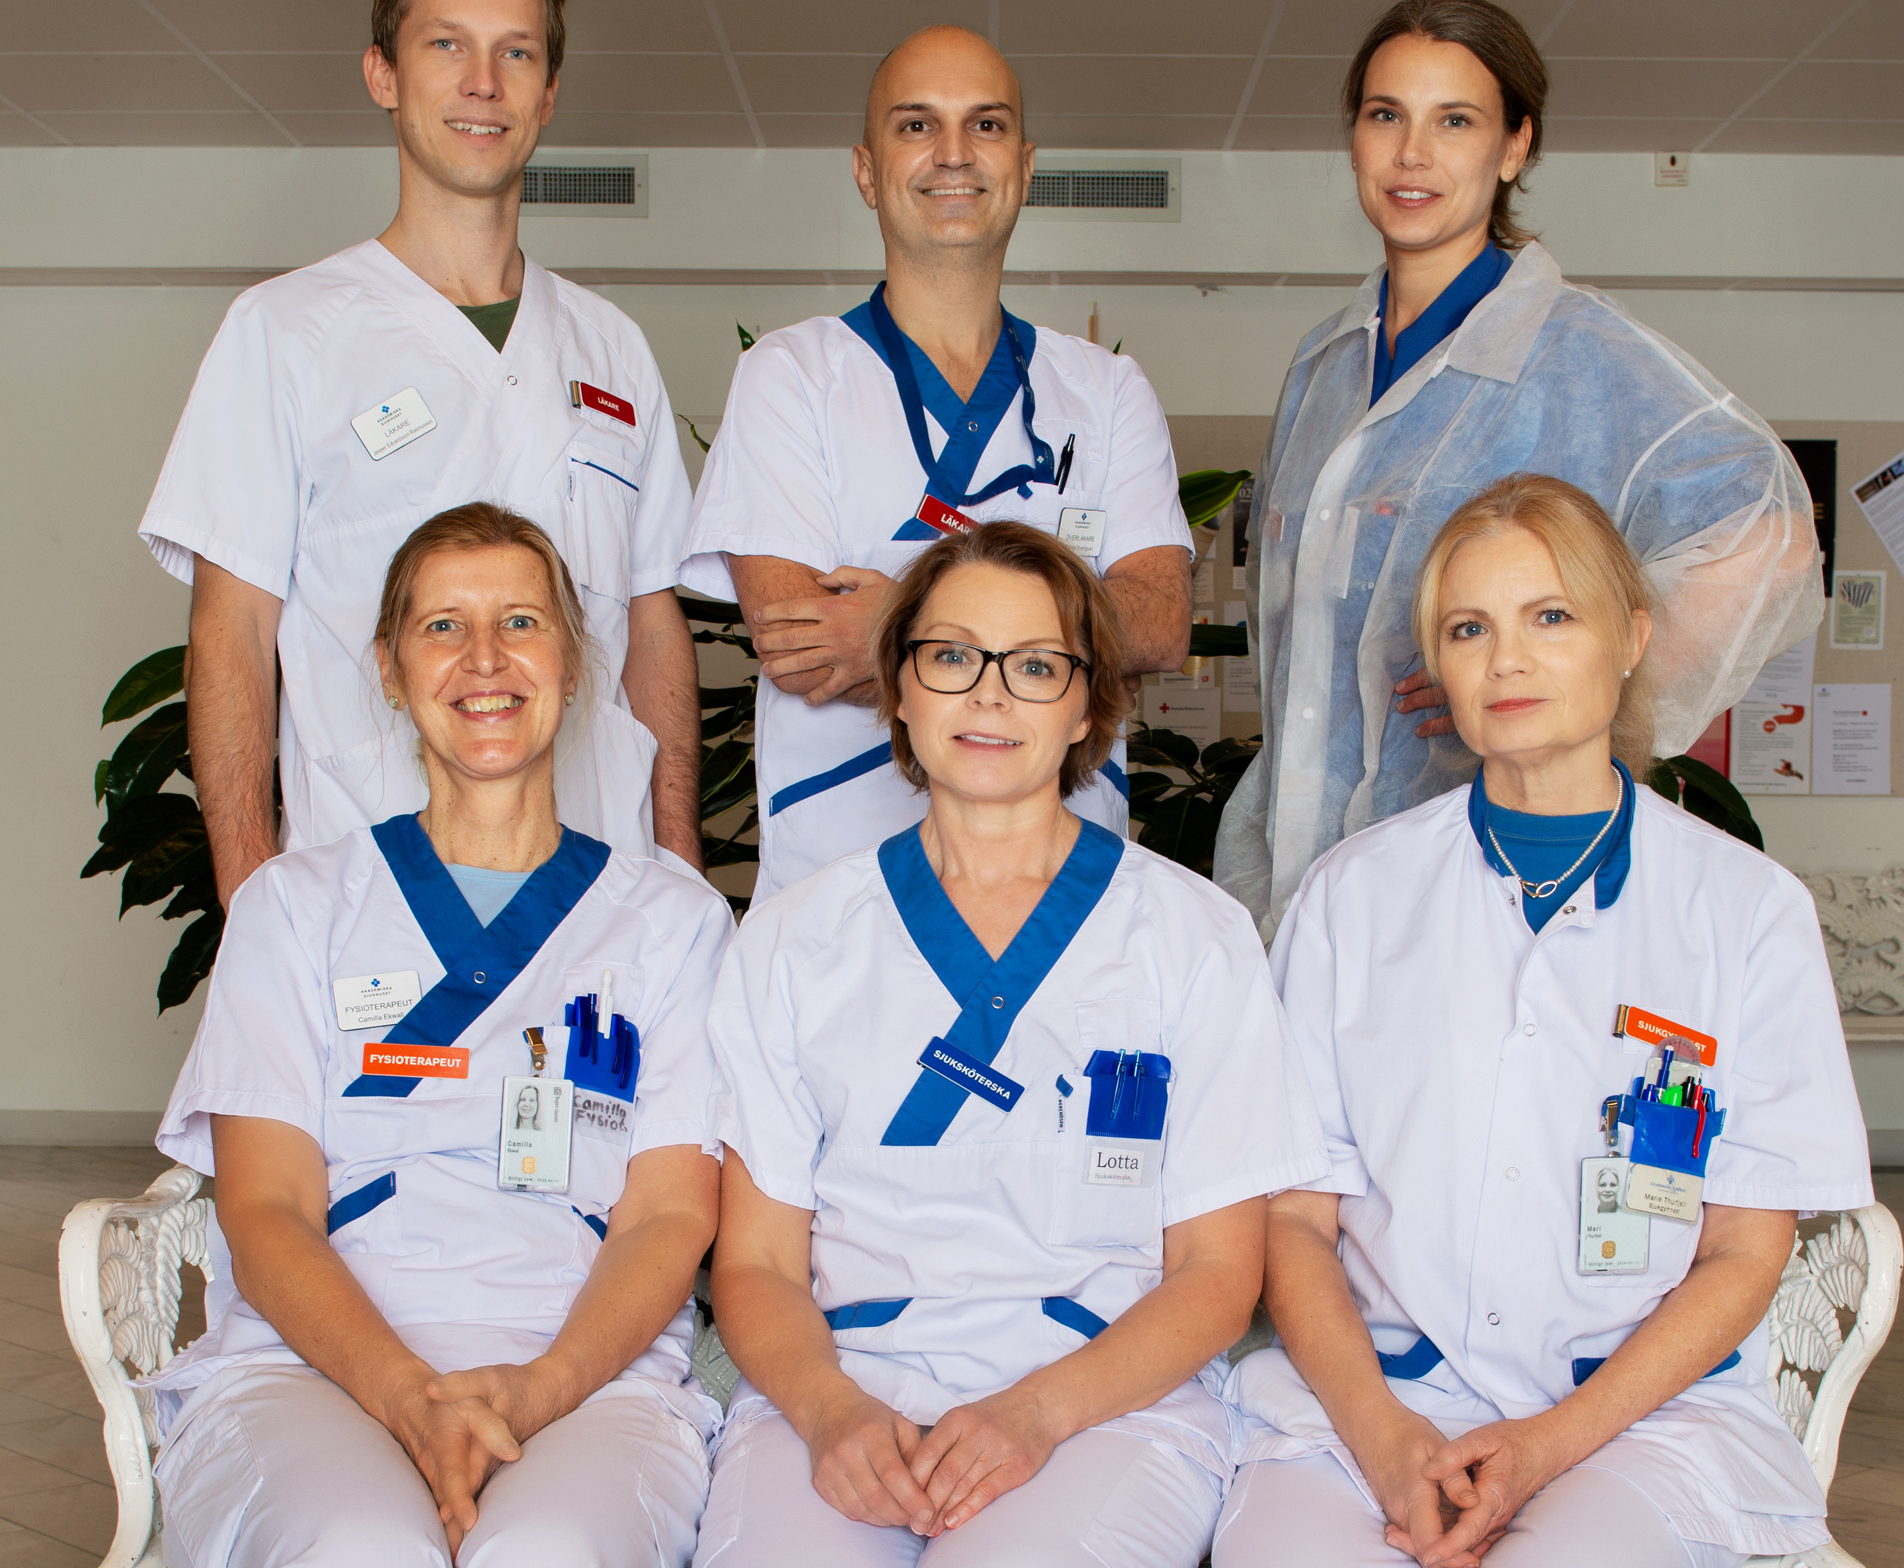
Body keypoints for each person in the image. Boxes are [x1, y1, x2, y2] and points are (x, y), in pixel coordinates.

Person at [1214, 475, 1872, 1568]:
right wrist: (1385, 1439)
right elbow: (1294, 1220)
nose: (1506, 660)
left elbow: (1742, 1249)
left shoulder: (1747, 910)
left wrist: (1544, 1446)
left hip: (1633, 1419)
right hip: (1375, 1403)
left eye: (1550, 616)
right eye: (1468, 629)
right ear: (1440, 669)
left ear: (1632, 639)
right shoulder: (1352, 896)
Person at [696, 523, 1322, 1567]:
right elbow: (758, 1259)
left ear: (1087, 704)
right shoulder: (797, 936)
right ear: (899, 686)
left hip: (1105, 1399)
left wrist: (1035, 1413)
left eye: (1034, 666)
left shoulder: (1190, 935)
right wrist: (828, 1410)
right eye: (951, 656)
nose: (989, 695)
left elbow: (1217, 1272)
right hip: (840, 1383)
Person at [142, 505, 732, 1567]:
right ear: (388, 668)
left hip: (585, 1372)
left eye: (521, 621)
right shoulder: (295, 907)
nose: (485, 659)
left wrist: (537, 1388)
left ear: (573, 661)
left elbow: (668, 1213)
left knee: (548, 1549)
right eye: (443, 627)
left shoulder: (672, 921)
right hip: (310, 1366)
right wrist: (411, 1398)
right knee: (358, 1545)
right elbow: (267, 1206)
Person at [1217, 0, 1824, 936]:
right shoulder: (1323, 364)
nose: (1412, 154)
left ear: (1514, 147)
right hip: (1290, 887)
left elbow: (1770, 535)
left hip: (1472, 890)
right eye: (1385, 115)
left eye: (1455, 120)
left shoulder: (1581, 351)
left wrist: (1544, 679)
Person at [140, 0, 704, 907]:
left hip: (603, 893)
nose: (483, 82)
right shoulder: (285, 333)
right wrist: (254, 912)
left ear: (548, 91)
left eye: (515, 52)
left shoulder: (610, 347)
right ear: (384, 75)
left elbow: (652, 625)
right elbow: (232, 634)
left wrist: (678, 877)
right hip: (367, 891)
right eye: (447, 44)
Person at [683, 26, 1194, 904]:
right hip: (840, 885)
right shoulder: (792, 373)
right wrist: (1058, 641)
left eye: (986, 125)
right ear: (866, 170)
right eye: (916, 125)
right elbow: (801, 643)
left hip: (1066, 888)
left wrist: (893, 623)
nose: (954, 152)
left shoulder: (1107, 390)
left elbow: (1160, 622)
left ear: (1024, 168)